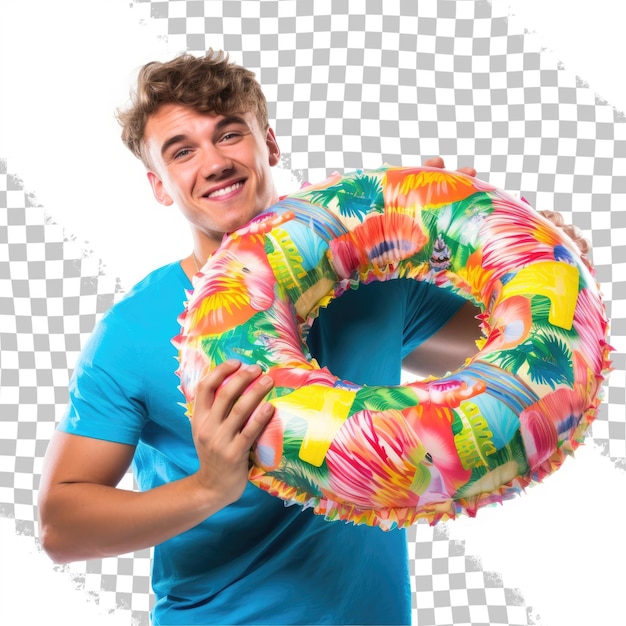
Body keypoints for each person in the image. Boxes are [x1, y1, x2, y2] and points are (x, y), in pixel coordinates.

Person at [37, 50, 589, 625]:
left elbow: (505, 365)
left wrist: (537, 267)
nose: (216, 162)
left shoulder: (377, 280)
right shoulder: (134, 329)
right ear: (160, 184)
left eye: (230, 135)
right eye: (183, 150)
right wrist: (208, 487)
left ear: (269, 144)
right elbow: (60, 526)